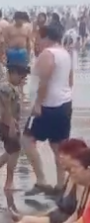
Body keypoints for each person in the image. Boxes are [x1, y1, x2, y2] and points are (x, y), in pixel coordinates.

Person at [24, 24, 73, 196]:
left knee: (26, 140)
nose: (36, 41)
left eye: (38, 37)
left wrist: (38, 103)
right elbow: (70, 79)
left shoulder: (48, 54)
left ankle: (42, 181)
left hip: (47, 105)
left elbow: (44, 80)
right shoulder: (65, 53)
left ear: (46, 37)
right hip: (64, 103)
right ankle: (60, 186)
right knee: (58, 145)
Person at [0, 64, 29, 191]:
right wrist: (11, 126)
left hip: (8, 123)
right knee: (14, 152)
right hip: (7, 124)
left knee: (10, 152)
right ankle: (8, 182)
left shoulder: (9, 86)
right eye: (21, 77)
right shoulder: (6, 88)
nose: (22, 80)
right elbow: (5, 109)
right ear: (13, 73)